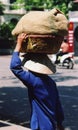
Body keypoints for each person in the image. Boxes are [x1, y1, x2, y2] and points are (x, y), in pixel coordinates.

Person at [10, 33, 64, 130]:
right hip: (51, 125)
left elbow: (15, 67)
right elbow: (58, 106)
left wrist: (18, 44)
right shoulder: (51, 82)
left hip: (40, 126)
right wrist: (59, 124)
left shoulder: (34, 80)